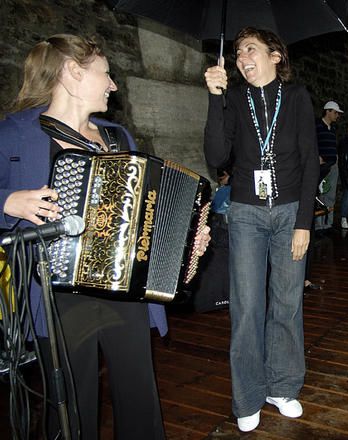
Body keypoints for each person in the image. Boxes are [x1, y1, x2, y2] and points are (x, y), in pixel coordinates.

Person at [0, 34, 211, 440]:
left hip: (121, 289)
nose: (113, 85)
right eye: (106, 74)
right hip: (56, 295)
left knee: (139, 394)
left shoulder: (117, 138)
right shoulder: (14, 134)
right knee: (72, 406)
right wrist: (8, 202)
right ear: (73, 73)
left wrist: (187, 244)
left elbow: (148, 219)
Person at [203, 27, 319, 432]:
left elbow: (311, 161)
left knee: (287, 303)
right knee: (248, 306)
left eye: (250, 49)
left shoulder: (298, 97)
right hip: (247, 213)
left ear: (275, 55)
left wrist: (304, 222)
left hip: (289, 212)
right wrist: (215, 100)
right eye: (236, 53)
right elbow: (217, 155)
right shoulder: (234, 98)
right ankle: (248, 396)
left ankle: (283, 386)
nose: (241, 58)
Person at [314, 101, 342, 231]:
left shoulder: (333, 129)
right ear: (328, 111)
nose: (337, 115)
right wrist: (317, 157)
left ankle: (328, 224)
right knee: (321, 194)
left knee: (330, 195)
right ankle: (319, 225)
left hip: (332, 165)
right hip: (322, 165)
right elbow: (312, 142)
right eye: (335, 112)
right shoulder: (317, 126)